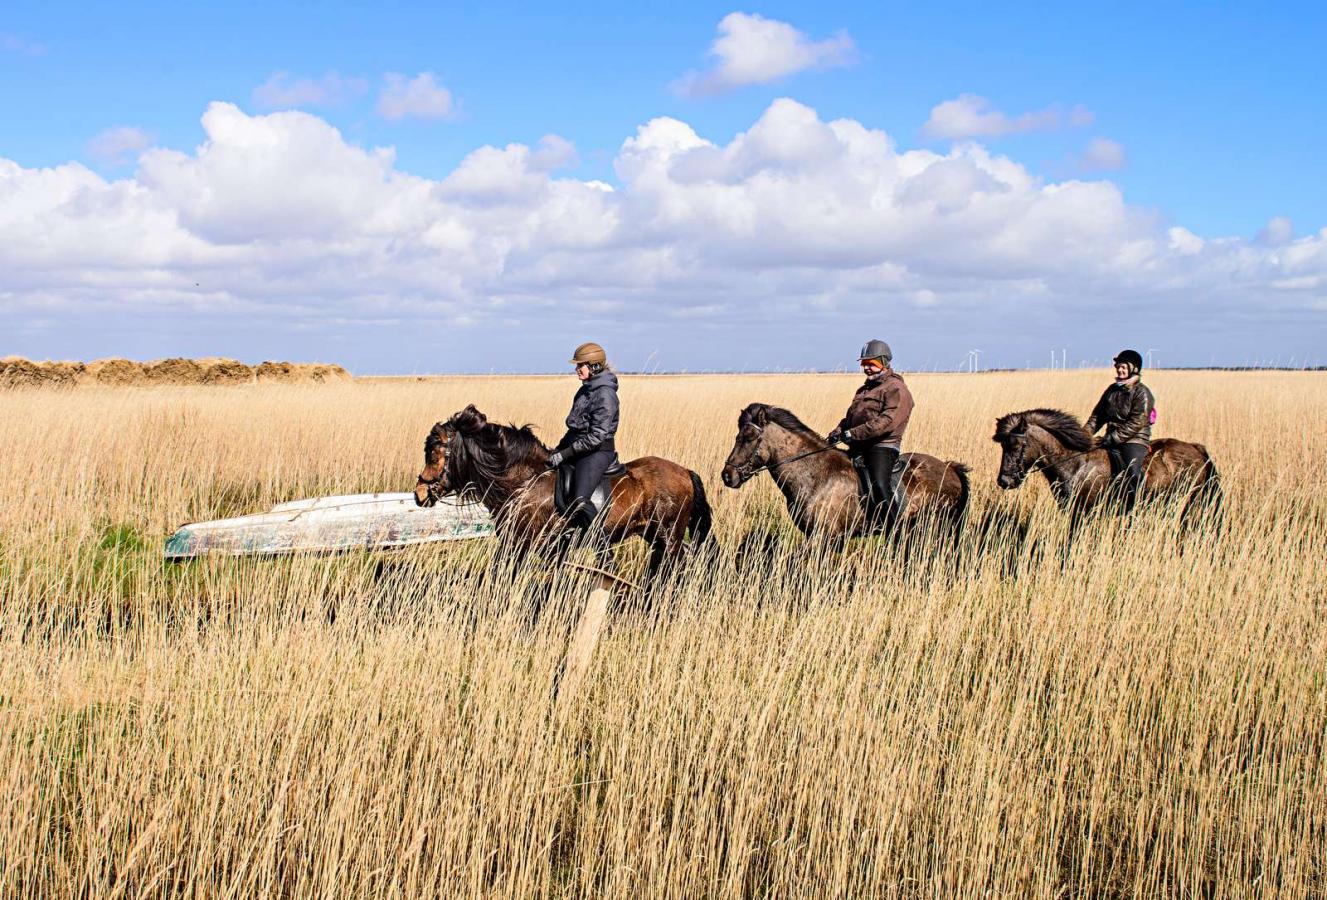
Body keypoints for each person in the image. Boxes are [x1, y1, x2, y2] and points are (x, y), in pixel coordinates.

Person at [826, 339, 914, 531]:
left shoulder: (896, 389)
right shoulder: (865, 389)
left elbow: (886, 422)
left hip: (882, 447)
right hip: (858, 444)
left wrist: (853, 434)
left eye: (871, 364)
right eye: (864, 364)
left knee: (880, 485)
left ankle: (895, 532)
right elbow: (851, 418)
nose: (866, 368)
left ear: (884, 362)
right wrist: (838, 432)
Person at [546, 342, 621, 545]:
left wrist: (566, 453)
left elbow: (596, 437)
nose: (577, 369)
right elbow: (574, 429)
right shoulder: (584, 391)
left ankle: (602, 549)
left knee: (580, 500)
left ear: (595, 366)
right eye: (577, 365)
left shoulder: (605, 394)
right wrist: (558, 450)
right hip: (578, 448)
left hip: (597, 452)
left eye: (581, 365)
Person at [1084, 349, 1156, 514]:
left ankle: (1136, 507)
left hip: (1134, 439)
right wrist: (1082, 436)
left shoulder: (1142, 392)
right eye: (1117, 367)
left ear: (1133, 369)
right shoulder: (1112, 390)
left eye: (1123, 367)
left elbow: (1137, 421)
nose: (1119, 370)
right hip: (1111, 437)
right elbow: (1097, 416)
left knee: (1132, 469)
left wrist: (1114, 438)